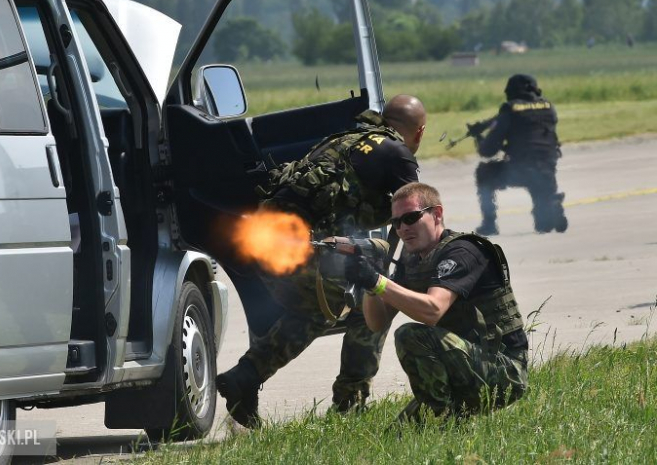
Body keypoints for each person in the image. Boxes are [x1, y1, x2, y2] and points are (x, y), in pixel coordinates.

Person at [216, 95, 428, 428]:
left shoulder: (344, 138)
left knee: (337, 309)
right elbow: (414, 216)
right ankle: (345, 403)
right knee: (360, 305)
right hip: (297, 244)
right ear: (419, 132)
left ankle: (247, 381)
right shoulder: (398, 152)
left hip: (260, 238)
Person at [343, 182, 529, 421]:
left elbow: (433, 310)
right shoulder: (412, 258)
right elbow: (377, 323)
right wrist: (370, 284)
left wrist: (378, 281)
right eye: (396, 222)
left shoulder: (463, 252)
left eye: (410, 218)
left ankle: (446, 423)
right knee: (400, 438)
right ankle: (447, 418)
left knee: (411, 335)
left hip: (503, 370)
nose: (402, 229)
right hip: (463, 361)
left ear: (437, 214)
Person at [471, 74, 568, 235]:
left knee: (484, 173)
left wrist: (479, 138)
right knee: (543, 226)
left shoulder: (509, 109)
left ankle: (489, 224)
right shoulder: (548, 107)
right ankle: (552, 203)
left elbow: (488, 150)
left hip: (521, 169)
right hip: (547, 171)